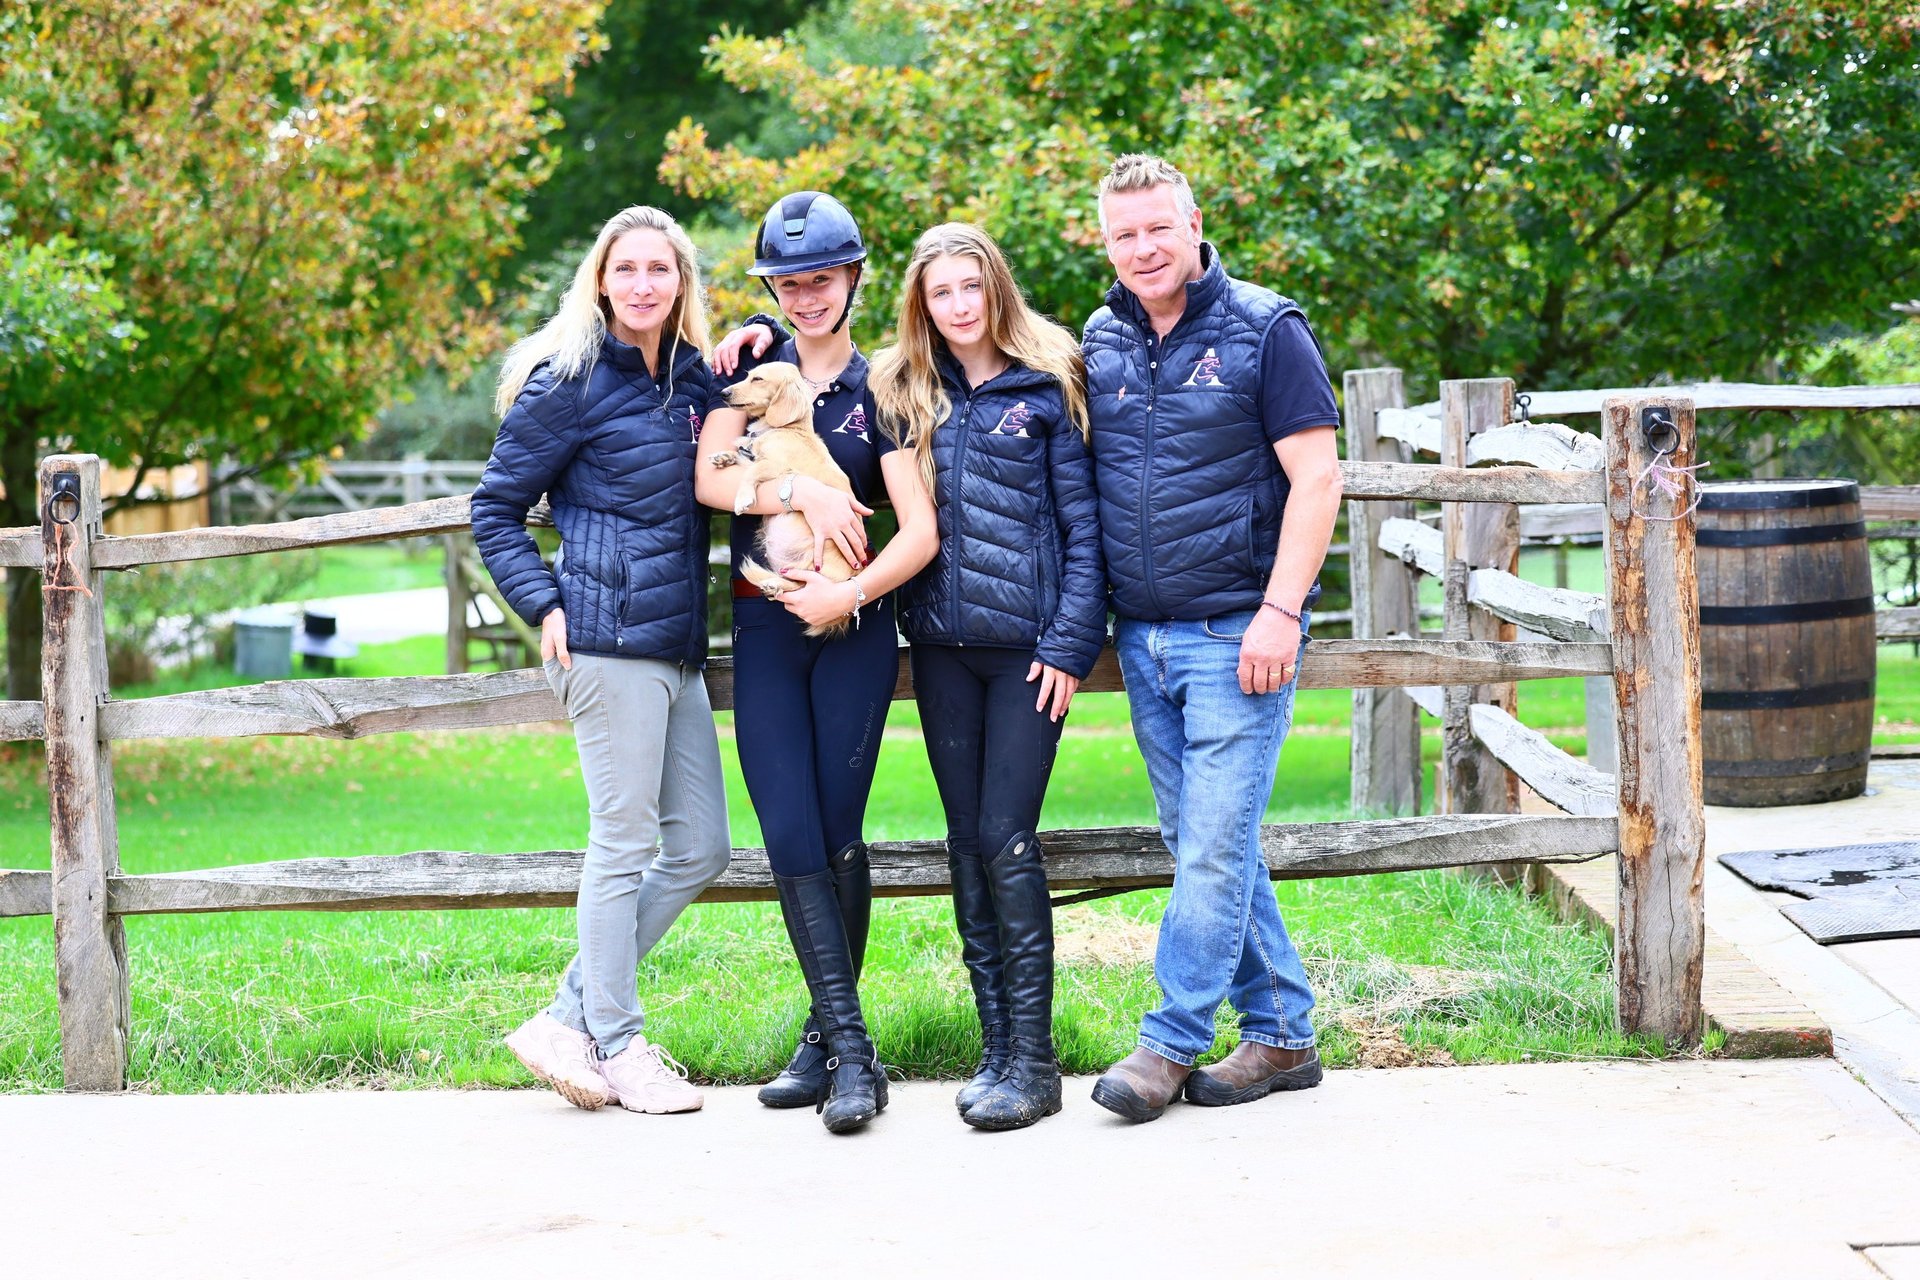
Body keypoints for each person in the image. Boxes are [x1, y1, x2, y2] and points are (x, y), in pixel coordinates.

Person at [1080, 155, 1345, 1123]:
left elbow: (1317, 480)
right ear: (1103, 241)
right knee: (1205, 840)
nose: (1143, 248)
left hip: (1239, 628)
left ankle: (1170, 1041)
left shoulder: (1266, 329)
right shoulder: (1099, 339)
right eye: (1123, 233)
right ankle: (1281, 1031)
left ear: (1196, 223)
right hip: (1143, 633)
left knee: (1212, 847)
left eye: (1159, 227)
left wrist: (1281, 610)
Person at [471, 205, 731, 1116]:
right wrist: (541, 602)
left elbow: (757, 381)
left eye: (661, 270)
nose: (645, 285)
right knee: (623, 843)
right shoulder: (568, 382)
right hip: (604, 640)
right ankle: (616, 1042)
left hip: (676, 648)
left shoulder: (692, 380)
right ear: (601, 280)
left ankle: (566, 1014)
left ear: (681, 282)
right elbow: (494, 509)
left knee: (701, 846)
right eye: (628, 270)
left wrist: (759, 333)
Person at [696, 191, 938, 1134]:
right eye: (787, 283)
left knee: (837, 831)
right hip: (762, 630)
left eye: (821, 280)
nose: (803, 297)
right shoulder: (753, 372)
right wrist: (790, 483)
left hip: (852, 630)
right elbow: (710, 478)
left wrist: (852, 593)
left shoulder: (886, 389)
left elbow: (918, 530)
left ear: (853, 281)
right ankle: (849, 1044)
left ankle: (832, 1047)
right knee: (787, 832)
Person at [869, 222, 1105, 1131]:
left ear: (995, 289)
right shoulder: (904, 392)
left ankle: (1034, 1064)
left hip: (1027, 654)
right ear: (922, 305)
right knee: (965, 838)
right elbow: (801, 367)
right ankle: (995, 1046)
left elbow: (1085, 532)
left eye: (972, 287)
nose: (960, 306)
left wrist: (1070, 642)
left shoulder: (1049, 381)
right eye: (942, 293)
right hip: (940, 649)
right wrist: (755, 338)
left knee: (1008, 835)